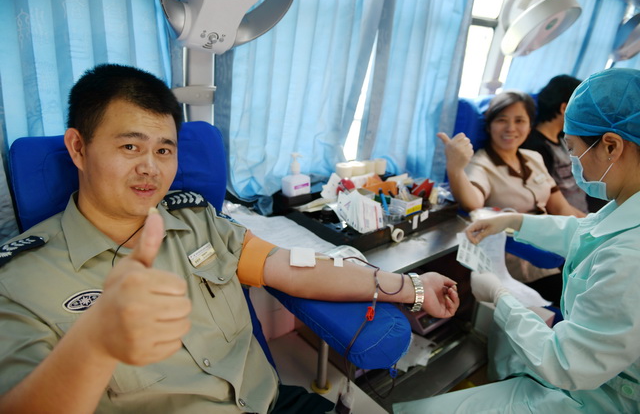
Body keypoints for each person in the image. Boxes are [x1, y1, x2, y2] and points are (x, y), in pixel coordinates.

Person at [0, 64, 460, 413]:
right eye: (130, 146)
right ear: (78, 148)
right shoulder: (20, 281)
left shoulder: (197, 220)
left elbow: (293, 267)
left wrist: (412, 288)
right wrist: (95, 344)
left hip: (269, 402)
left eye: (164, 149)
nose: (150, 168)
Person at [395, 67, 640, 414]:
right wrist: (516, 221)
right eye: (502, 120)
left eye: (573, 151)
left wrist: (501, 296)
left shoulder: (630, 256)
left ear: (612, 146)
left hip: (603, 398)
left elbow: (567, 363)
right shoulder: (625, 206)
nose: (573, 163)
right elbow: (585, 231)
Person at [437, 91, 584, 305]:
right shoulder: (481, 164)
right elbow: (472, 202)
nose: (510, 128)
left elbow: (561, 208)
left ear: (530, 125)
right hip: (519, 263)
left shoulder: (533, 158)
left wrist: (595, 229)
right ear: (489, 126)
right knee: (578, 299)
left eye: (519, 121)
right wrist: (456, 168)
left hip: (554, 251)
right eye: (501, 120)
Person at [522, 75, 605, 214]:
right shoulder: (536, 148)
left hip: (583, 211)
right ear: (564, 108)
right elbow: (551, 202)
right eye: (582, 108)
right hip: (568, 218)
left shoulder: (563, 137)